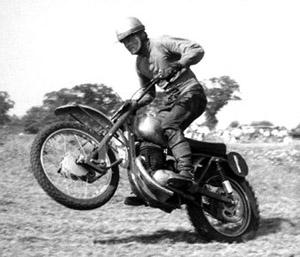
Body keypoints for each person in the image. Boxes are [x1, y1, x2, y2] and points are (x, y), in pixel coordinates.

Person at [116, 17, 207, 201]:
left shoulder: (161, 43)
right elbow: (149, 94)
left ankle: (186, 173)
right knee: (149, 133)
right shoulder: (140, 64)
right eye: (124, 42)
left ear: (142, 33)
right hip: (172, 100)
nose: (128, 44)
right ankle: (152, 185)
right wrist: (133, 104)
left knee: (169, 125)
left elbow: (196, 49)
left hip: (191, 92)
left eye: (131, 38)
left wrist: (178, 64)